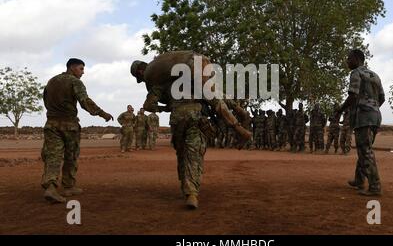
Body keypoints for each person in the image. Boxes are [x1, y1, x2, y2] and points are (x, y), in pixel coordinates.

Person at [130, 51, 251, 209]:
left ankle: (188, 191)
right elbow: (217, 97)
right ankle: (192, 192)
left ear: (140, 72)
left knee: (182, 154)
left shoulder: (159, 82)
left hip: (178, 118)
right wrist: (236, 109)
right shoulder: (194, 78)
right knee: (194, 154)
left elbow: (148, 106)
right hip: (196, 115)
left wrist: (166, 107)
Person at [41, 58, 113, 203]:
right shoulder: (75, 82)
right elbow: (85, 101)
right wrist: (102, 113)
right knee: (71, 156)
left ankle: (51, 187)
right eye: (81, 69)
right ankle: (68, 186)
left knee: (53, 156)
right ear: (72, 68)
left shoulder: (51, 81)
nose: (83, 72)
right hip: (69, 126)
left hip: (51, 124)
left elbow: (46, 101)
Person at [338, 49, 385, 196]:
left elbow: (353, 96)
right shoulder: (375, 75)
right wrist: (372, 107)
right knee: (364, 149)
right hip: (375, 116)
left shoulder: (356, 73)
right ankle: (359, 180)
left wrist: (339, 110)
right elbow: (382, 98)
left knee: (365, 151)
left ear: (357, 59)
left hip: (363, 117)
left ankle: (375, 186)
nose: (347, 62)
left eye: (349, 59)